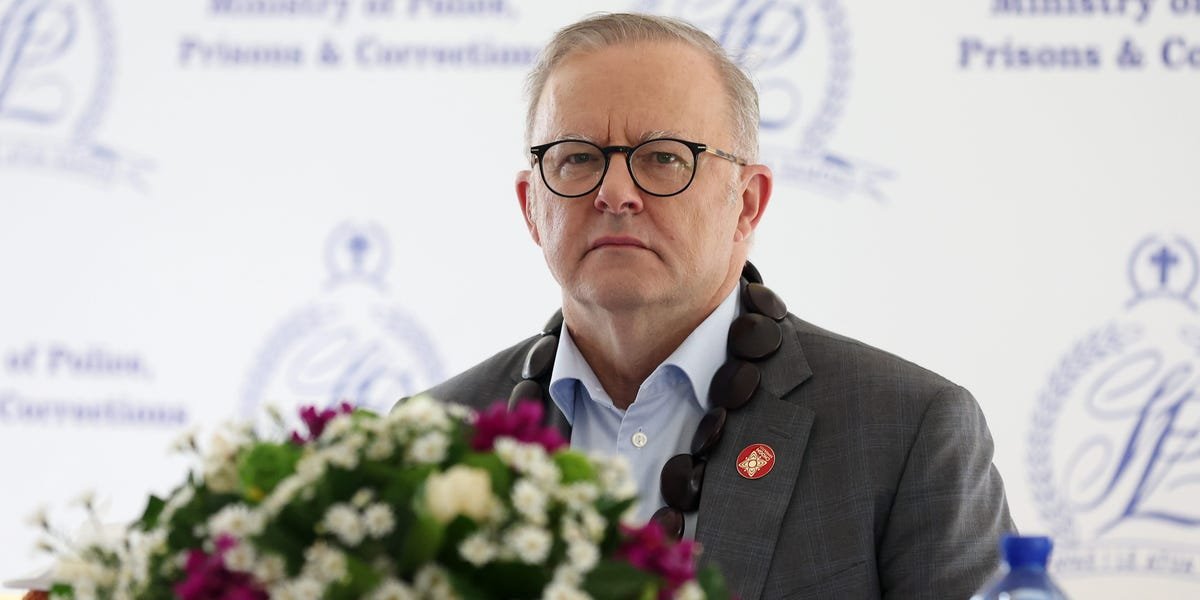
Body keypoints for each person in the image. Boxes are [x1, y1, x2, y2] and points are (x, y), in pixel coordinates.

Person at [409, 12, 1014, 599]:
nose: (614, 193)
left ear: (747, 203)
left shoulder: (906, 432)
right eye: (578, 158)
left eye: (664, 157)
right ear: (531, 207)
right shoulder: (428, 439)